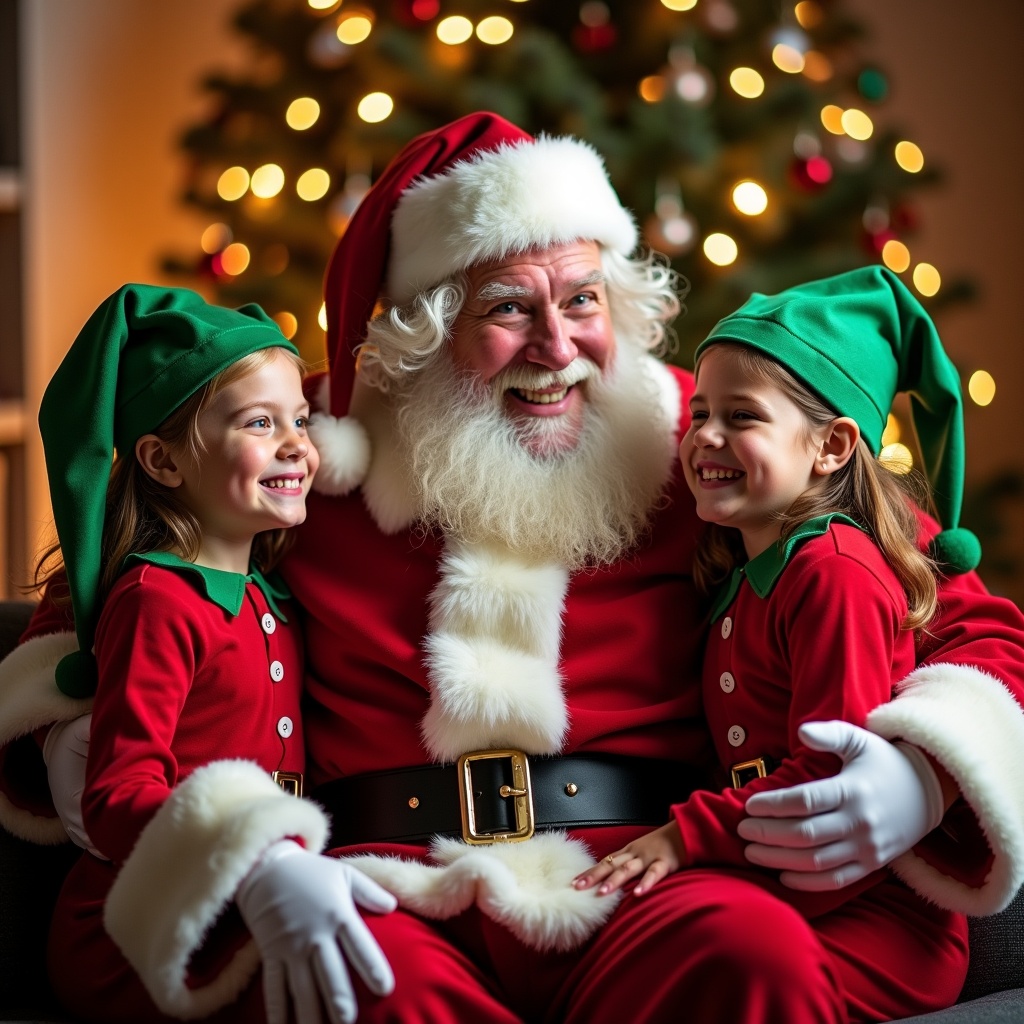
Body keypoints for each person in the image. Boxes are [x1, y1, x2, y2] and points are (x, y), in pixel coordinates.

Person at [0, 113, 1021, 1023]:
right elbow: (119, 572)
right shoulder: (305, 446)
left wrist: (920, 768)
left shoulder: (709, 446)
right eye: (507, 309)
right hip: (387, 876)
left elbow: (957, 608)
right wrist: (86, 733)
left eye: (582, 299)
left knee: (744, 958)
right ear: (419, 332)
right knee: (355, 982)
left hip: (650, 871)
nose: (558, 346)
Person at [573, 266, 982, 1020]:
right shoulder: (746, 569)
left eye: (742, 416)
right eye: (699, 414)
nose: (705, 438)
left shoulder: (834, 575)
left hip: (872, 918)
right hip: (787, 879)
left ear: (830, 446)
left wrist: (680, 838)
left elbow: (830, 764)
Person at [31, 285, 396, 1024]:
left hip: (255, 895)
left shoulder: (273, 597)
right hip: (147, 926)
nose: (298, 444)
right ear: (163, 462)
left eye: (300, 419)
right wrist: (257, 858)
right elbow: (116, 797)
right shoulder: (157, 601)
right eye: (261, 423)